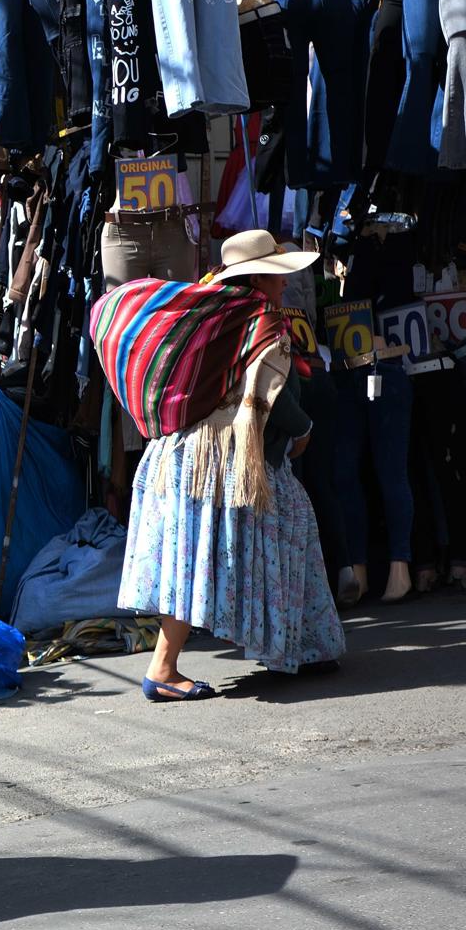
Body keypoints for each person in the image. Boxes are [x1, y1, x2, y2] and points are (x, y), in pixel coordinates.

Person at [97, 232, 347, 701]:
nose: (284, 282)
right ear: (259, 278)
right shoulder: (260, 322)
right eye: (277, 274)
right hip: (224, 462)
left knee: (198, 561)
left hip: (179, 458)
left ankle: (301, 649)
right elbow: (279, 400)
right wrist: (305, 429)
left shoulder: (208, 314)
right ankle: (165, 669)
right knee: (278, 534)